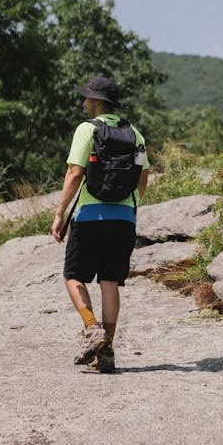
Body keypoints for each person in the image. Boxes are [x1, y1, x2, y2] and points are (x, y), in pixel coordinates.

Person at [51, 76, 149, 373]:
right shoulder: (135, 133)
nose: (83, 103)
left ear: (97, 102)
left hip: (90, 216)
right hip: (124, 219)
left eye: (87, 98)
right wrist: (130, 206)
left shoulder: (87, 129)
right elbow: (143, 176)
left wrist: (59, 213)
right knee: (109, 281)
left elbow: (75, 172)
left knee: (73, 276)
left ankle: (92, 329)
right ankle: (106, 354)